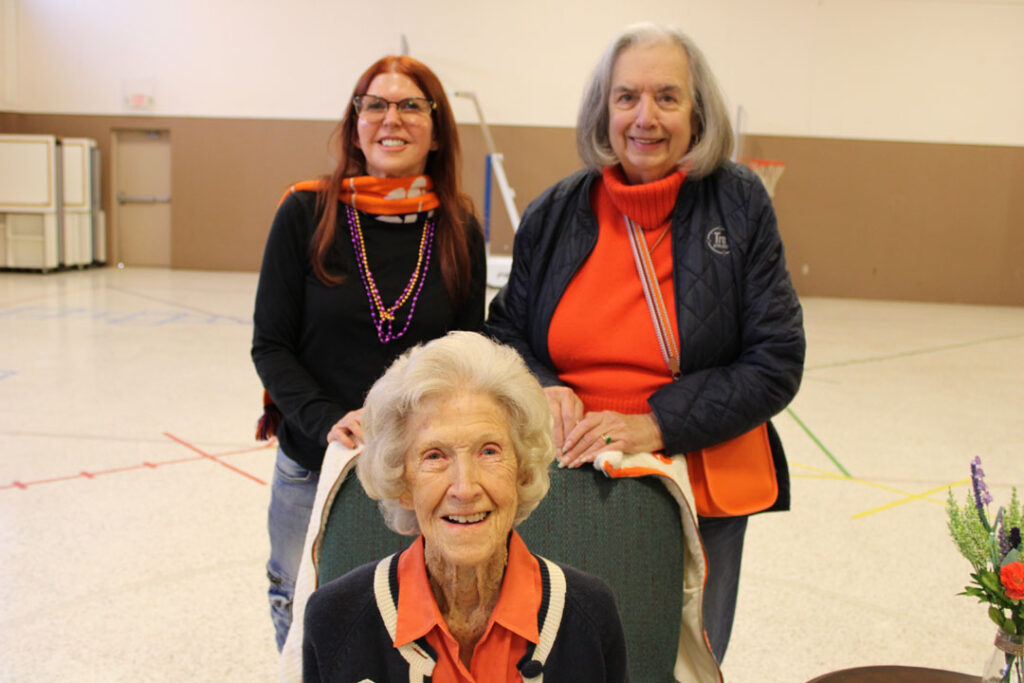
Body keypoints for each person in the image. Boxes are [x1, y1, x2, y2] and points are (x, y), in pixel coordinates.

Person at [486, 22, 805, 663]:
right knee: (566, 654)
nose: (645, 118)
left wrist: (653, 424)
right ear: (603, 110)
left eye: (667, 97)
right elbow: (507, 333)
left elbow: (776, 361)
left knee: (681, 659)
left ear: (698, 112)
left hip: (697, 471)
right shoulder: (555, 212)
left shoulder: (739, 205)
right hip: (567, 472)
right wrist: (546, 386)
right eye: (626, 97)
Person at [251, 55, 486, 650]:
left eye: (411, 105)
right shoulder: (306, 212)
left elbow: (465, 353)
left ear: (436, 128)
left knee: (407, 611)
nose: (391, 119)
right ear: (355, 122)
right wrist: (330, 419)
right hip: (313, 457)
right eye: (375, 104)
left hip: (416, 467)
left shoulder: (457, 226)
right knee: (299, 594)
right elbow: (271, 345)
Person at [301, 331, 629, 682]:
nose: (465, 488)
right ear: (403, 482)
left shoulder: (588, 615)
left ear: (521, 470)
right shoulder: (334, 620)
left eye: (489, 451)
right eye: (435, 456)